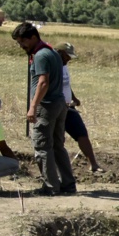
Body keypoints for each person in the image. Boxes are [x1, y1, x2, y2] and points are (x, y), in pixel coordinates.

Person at [10, 22, 76, 196]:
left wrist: (33, 106)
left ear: (33, 38)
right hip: (59, 103)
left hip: (46, 106)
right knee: (57, 146)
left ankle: (50, 186)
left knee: (42, 147)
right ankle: (68, 184)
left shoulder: (40, 55)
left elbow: (43, 82)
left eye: (22, 42)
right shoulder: (52, 52)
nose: (21, 46)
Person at [55, 43, 102, 174]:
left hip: (69, 108)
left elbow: (66, 85)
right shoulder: (53, 66)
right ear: (59, 52)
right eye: (67, 56)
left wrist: (73, 98)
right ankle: (57, 169)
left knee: (82, 133)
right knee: (58, 139)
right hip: (56, 109)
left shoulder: (64, 66)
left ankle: (93, 164)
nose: (69, 59)